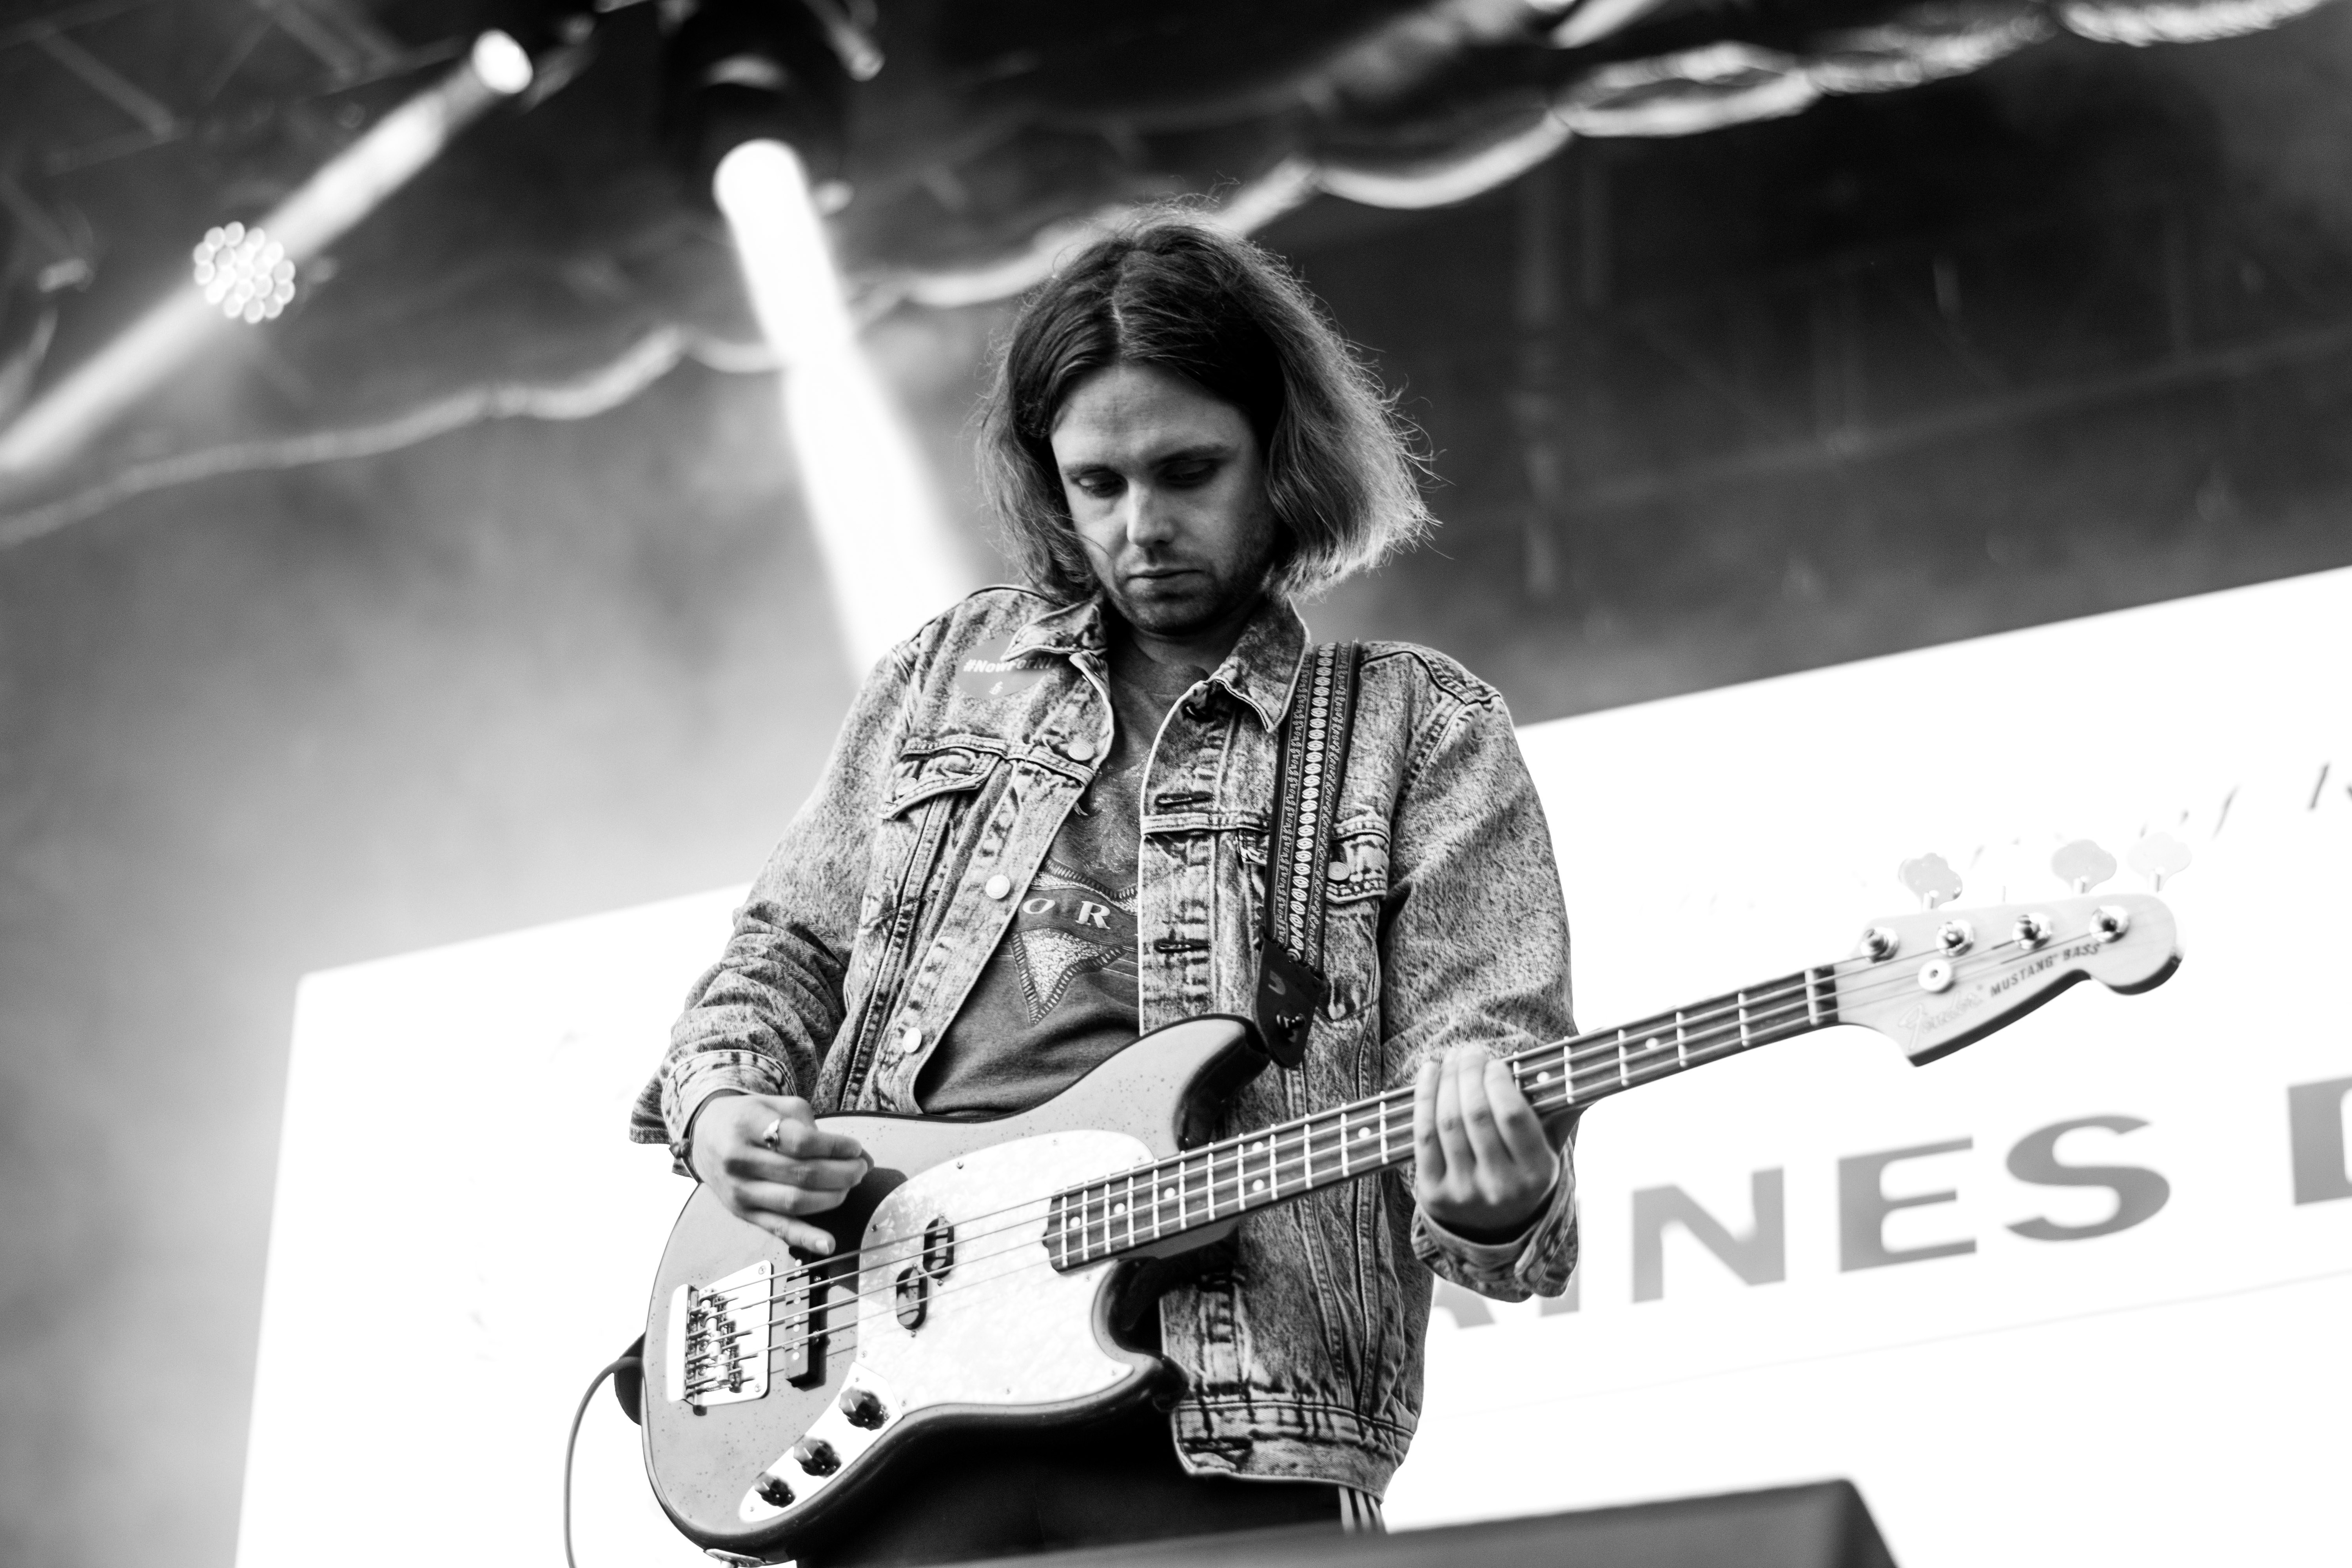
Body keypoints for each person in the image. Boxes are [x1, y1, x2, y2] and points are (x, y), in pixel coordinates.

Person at [630, 212, 1578, 1565]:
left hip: (1231, 1431)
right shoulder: (949, 672)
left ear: (1285, 457)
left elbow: (1488, 1094)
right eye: (1098, 484)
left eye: (1189, 473)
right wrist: (725, 1107)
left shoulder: (1419, 730)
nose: (1142, 528)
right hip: (889, 1422)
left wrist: (1496, 1194)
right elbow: (782, 952)